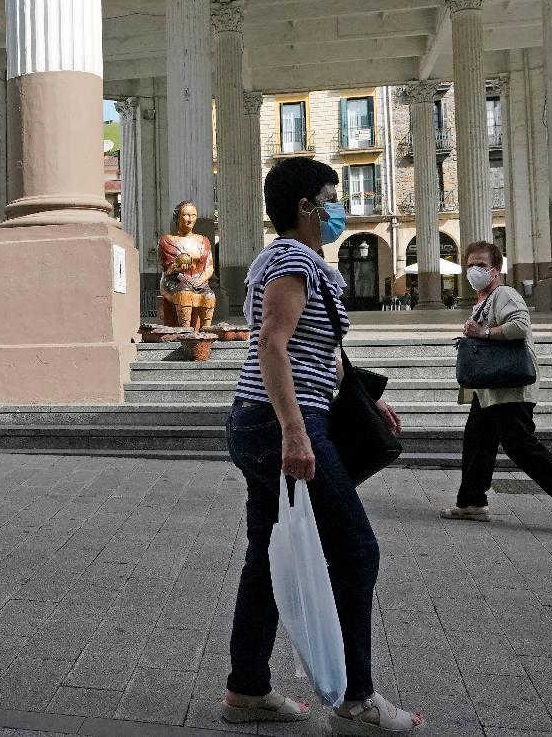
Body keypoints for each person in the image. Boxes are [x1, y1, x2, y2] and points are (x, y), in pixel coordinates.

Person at [222, 157, 424, 734]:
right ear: (306, 207)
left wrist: (363, 398)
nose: (341, 208)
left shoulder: (298, 263)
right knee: (356, 550)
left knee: (265, 555)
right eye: (332, 198)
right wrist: (295, 432)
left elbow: (319, 351)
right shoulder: (292, 262)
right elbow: (272, 346)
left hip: (266, 419)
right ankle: (357, 701)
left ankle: (247, 689)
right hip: (280, 423)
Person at [442, 241, 552, 534]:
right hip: (491, 390)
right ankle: (471, 502)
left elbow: (520, 326)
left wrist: (484, 332)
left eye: (481, 265)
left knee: (521, 446)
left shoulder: (505, 294)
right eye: (469, 265)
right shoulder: (485, 299)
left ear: (496, 269)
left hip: (510, 387)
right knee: (477, 441)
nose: (474, 270)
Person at [158, 201, 217, 330]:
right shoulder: (167, 240)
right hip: (177, 281)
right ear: (178, 217)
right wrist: (177, 267)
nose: (190, 219)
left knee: (209, 296)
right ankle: (185, 330)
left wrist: (201, 280)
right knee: (184, 294)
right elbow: (167, 270)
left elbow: (209, 267)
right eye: (186, 215)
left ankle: (206, 331)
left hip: (199, 282)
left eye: (193, 215)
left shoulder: (204, 240)